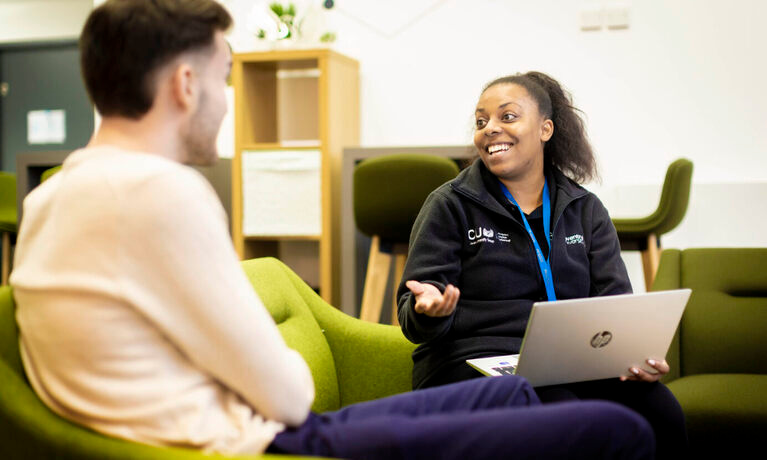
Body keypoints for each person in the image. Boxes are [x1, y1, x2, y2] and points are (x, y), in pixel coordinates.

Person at [11, 2, 656, 458]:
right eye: (224, 78)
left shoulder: (53, 195)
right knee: (618, 432)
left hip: (235, 425)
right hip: (256, 441)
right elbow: (289, 395)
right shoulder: (162, 194)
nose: (227, 99)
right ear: (185, 84)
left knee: (508, 397)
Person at [397, 71, 687, 459]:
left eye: (508, 116)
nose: (490, 130)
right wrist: (428, 310)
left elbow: (615, 305)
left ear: (545, 129)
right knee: (560, 409)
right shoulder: (449, 204)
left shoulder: (585, 209)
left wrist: (632, 356)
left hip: (567, 363)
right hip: (470, 364)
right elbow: (412, 318)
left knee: (658, 407)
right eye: (481, 122)